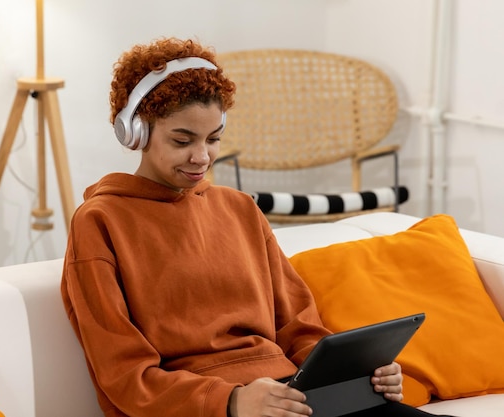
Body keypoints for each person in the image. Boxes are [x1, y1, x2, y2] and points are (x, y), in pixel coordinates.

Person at [61, 37, 453, 417]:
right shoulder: (100, 221)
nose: (202, 157)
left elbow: (298, 329)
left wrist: (354, 375)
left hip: (289, 396)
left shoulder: (239, 209)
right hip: (203, 408)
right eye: (182, 140)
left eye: (214, 139)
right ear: (136, 131)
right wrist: (231, 402)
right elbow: (124, 377)